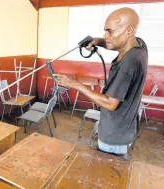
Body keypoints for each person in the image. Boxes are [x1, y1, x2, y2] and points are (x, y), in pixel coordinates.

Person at [54, 7, 148, 156]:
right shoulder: (139, 46)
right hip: (125, 129)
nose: (106, 35)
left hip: (114, 136)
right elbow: (120, 44)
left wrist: (74, 84)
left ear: (129, 31)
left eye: (110, 31)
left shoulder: (127, 64)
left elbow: (110, 103)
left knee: (108, 173)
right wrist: (99, 41)